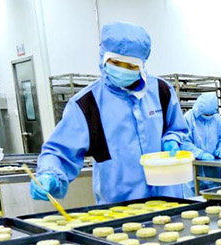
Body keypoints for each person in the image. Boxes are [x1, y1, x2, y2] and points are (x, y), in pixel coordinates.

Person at [32, 21, 189, 203]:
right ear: (103, 59)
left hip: (169, 198)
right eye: (116, 62)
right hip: (120, 206)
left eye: (131, 66)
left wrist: (172, 139)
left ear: (142, 64)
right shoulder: (87, 104)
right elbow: (60, 151)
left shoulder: (162, 91)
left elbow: (177, 128)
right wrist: (49, 174)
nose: (123, 70)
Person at [182, 92, 221, 186]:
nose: (208, 117)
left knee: (214, 193)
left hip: (213, 166)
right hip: (194, 166)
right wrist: (200, 154)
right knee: (194, 196)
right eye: (205, 115)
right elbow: (185, 142)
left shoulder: (217, 119)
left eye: (210, 114)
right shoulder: (188, 118)